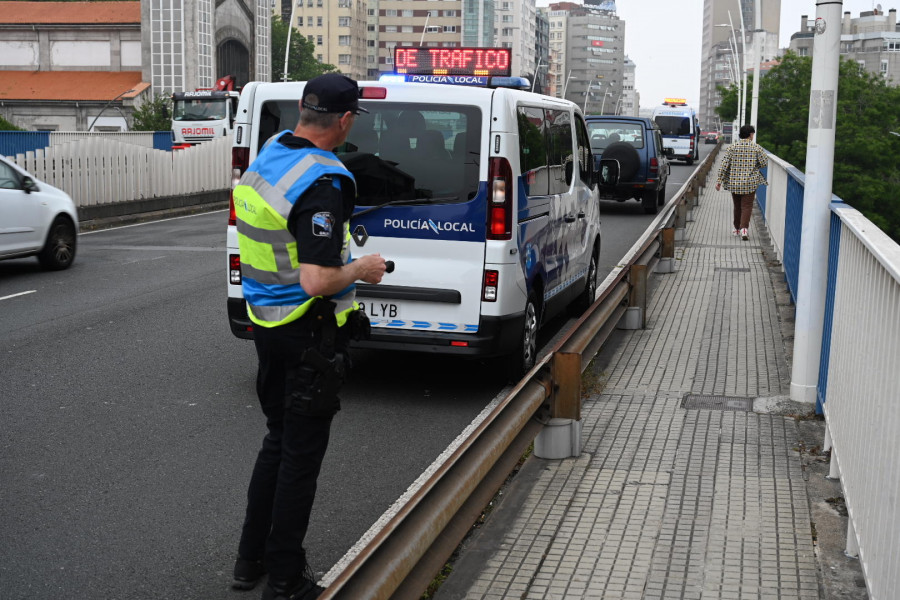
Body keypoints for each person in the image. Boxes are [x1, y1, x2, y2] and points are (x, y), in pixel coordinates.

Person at [231, 73, 387, 600]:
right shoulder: (323, 182)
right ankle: (285, 579)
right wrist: (363, 267)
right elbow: (318, 280)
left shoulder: (274, 151)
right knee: (300, 456)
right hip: (306, 333)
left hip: (264, 323)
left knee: (277, 441)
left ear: (304, 109)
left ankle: (248, 561)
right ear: (345, 121)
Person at [715, 124, 768, 241]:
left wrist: (719, 181)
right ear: (750, 135)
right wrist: (755, 166)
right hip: (750, 182)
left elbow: (724, 165)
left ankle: (737, 229)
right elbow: (764, 163)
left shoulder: (732, 148)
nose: (753, 136)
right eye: (753, 134)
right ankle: (744, 229)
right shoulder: (756, 148)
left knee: (737, 206)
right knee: (747, 206)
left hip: (734, 182)